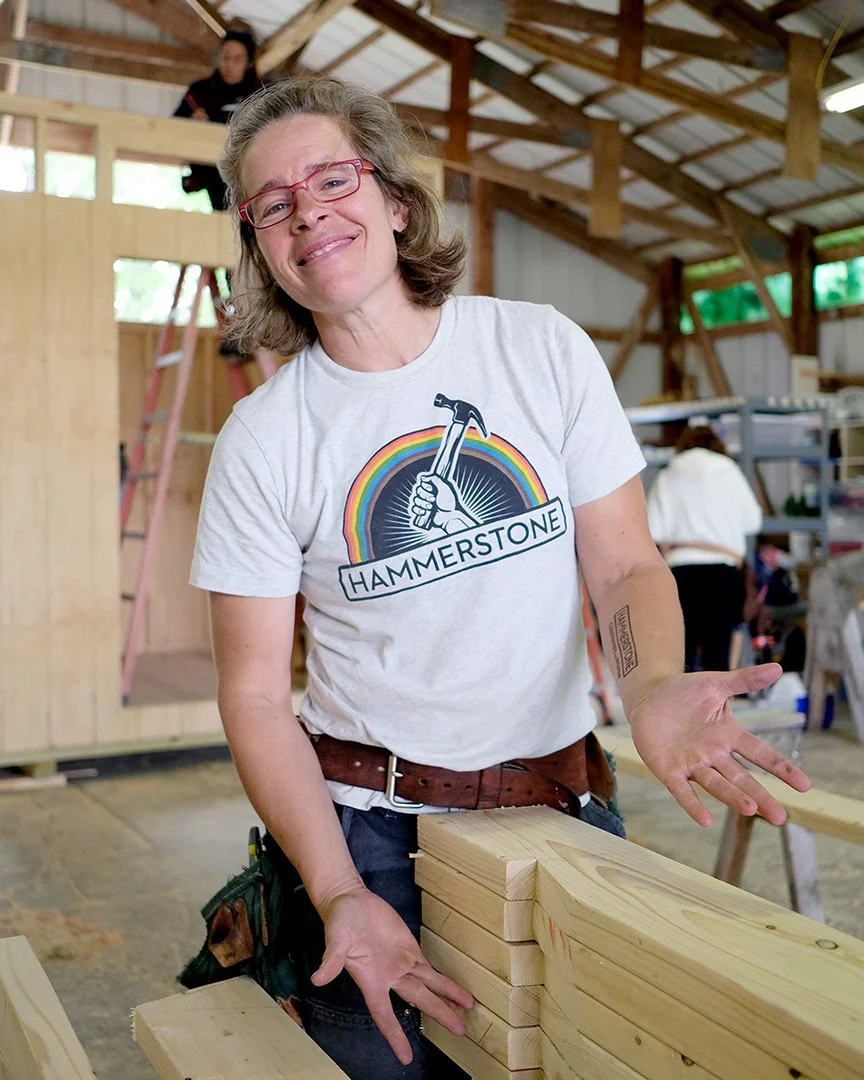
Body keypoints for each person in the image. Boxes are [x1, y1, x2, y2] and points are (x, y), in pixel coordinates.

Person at [189, 75, 810, 1080]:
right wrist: (339, 890)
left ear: (396, 200)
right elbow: (255, 695)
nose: (307, 211)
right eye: (273, 203)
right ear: (262, 246)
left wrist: (651, 685)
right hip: (370, 832)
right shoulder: (264, 441)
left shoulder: (540, 347)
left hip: (561, 796)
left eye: (332, 179)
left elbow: (623, 563)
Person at [646, 426, 763, 672]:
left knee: (681, 657)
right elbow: (753, 521)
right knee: (718, 657)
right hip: (724, 571)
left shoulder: (668, 475)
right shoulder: (730, 472)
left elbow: (653, 529)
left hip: (681, 572)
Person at [173, 28, 263, 211]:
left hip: (249, 172)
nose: (229, 64)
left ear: (249, 63)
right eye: (225, 57)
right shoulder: (199, 92)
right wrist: (192, 122)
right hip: (211, 170)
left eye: (237, 59)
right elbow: (173, 127)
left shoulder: (261, 94)